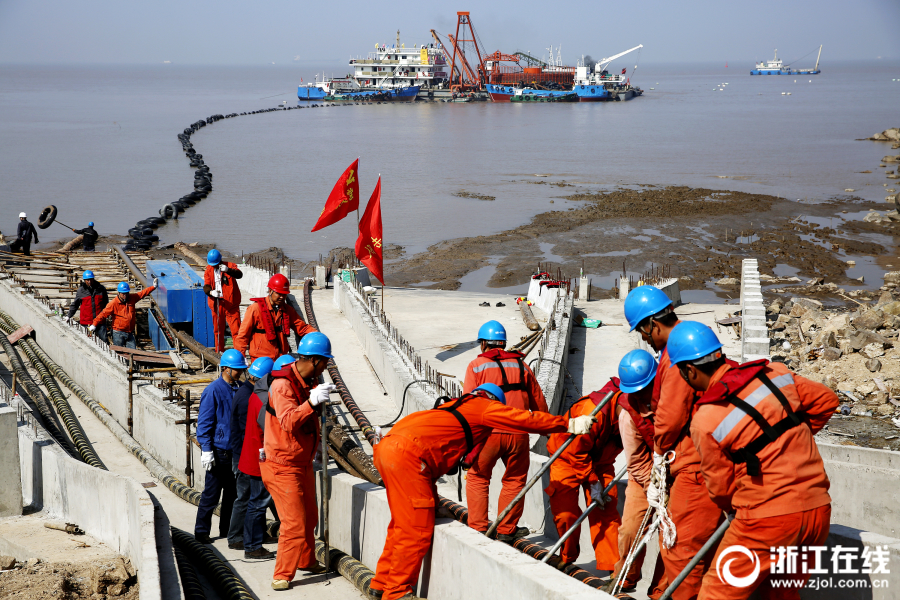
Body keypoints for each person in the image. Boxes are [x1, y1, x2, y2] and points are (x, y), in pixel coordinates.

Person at [370, 382, 596, 600]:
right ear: (494, 401)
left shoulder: (453, 407)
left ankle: (380, 585)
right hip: (407, 456)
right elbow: (522, 418)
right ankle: (397, 592)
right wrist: (567, 424)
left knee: (401, 523)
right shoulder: (484, 407)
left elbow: (431, 454)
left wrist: (433, 501)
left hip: (388, 449)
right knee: (415, 528)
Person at [668, 322, 837, 599]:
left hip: (766, 519)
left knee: (716, 593)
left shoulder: (706, 419)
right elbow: (826, 401)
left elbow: (721, 489)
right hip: (818, 512)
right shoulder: (776, 373)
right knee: (779, 595)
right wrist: (790, 442)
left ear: (689, 370)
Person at [624, 286, 723, 600]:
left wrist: (658, 454)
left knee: (680, 550)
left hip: (693, 465)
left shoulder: (677, 354)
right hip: (706, 458)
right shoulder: (695, 342)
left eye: (643, 330)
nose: (643, 338)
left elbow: (670, 416)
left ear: (653, 323)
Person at [260, 333, 336, 590]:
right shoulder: (282, 386)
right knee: (293, 523)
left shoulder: (304, 380)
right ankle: (282, 574)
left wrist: (313, 396)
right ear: (314, 360)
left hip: (301, 461)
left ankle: (306, 560)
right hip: (282, 465)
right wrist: (312, 402)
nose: (326, 367)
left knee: (309, 518)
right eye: (325, 362)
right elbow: (289, 421)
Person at [462, 320, 548, 541]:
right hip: (518, 433)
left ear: (483, 344)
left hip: (487, 434)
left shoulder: (476, 366)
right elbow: (538, 402)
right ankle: (506, 530)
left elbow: (468, 405)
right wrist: (547, 428)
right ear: (503, 343)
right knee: (515, 480)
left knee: (478, 477)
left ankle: (479, 528)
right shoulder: (521, 365)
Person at [545, 374, 622, 572]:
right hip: (567, 458)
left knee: (606, 510)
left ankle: (613, 567)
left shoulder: (635, 411)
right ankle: (567, 557)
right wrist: (593, 481)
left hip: (600, 462)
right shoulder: (594, 413)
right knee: (566, 514)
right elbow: (576, 451)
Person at [610, 349, 667, 598]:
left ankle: (661, 591)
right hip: (644, 476)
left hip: (677, 473)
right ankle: (625, 577)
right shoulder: (628, 415)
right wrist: (653, 487)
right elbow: (635, 461)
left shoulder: (672, 398)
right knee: (631, 529)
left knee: (672, 537)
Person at [194, 349, 248, 544]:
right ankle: (201, 532)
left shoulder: (239, 388)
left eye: (241, 370)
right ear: (226, 369)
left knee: (232, 495)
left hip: (234, 452)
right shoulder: (214, 390)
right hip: (218, 452)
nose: (240, 373)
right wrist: (207, 450)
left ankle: (227, 530)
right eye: (237, 370)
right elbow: (205, 422)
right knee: (211, 494)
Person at [227, 356, 275, 557]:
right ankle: (241, 539)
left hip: (244, 453)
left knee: (249, 500)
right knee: (248, 500)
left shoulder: (248, 392)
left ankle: (250, 537)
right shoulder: (251, 397)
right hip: (246, 455)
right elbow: (255, 430)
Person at [234, 274, 316, 362]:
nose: (282, 297)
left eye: (284, 294)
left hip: (281, 358)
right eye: (279, 293)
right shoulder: (255, 309)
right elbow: (243, 336)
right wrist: (240, 357)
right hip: (261, 359)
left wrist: (317, 335)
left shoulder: (287, 310)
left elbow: (302, 328)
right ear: (270, 291)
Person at [91, 279, 157, 349]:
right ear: (119, 293)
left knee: (133, 352)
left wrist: (153, 287)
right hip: (118, 333)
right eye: (123, 294)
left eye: (126, 293)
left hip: (129, 332)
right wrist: (94, 324)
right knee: (120, 353)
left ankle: (131, 360)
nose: (125, 295)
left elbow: (142, 294)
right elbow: (103, 314)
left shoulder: (132, 298)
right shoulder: (113, 304)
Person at [203, 249, 244, 353]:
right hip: (217, 305)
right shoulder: (208, 270)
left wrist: (228, 270)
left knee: (236, 331)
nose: (214, 266)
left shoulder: (230, 265)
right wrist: (211, 292)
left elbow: (239, 275)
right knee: (218, 331)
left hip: (231, 304)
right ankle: (219, 352)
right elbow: (206, 286)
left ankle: (239, 354)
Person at [67, 271, 109, 342]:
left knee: (104, 341)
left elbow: (106, 304)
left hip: (100, 322)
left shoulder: (101, 289)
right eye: (87, 280)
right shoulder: (81, 291)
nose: (89, 281)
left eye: (91, 279)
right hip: (86, 322)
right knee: (87, 341)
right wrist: (69, 316)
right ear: (84, 280)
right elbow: (75, 304)